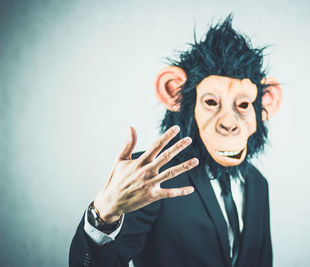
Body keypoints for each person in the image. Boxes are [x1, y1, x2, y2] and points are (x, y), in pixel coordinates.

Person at [69, 16, 282, 267]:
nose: (230, 123)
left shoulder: (257, 183)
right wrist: (103, 215)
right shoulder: (152, 175)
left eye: (243, 105)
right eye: (211, 102)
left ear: (267, 102)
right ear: (173, 92)